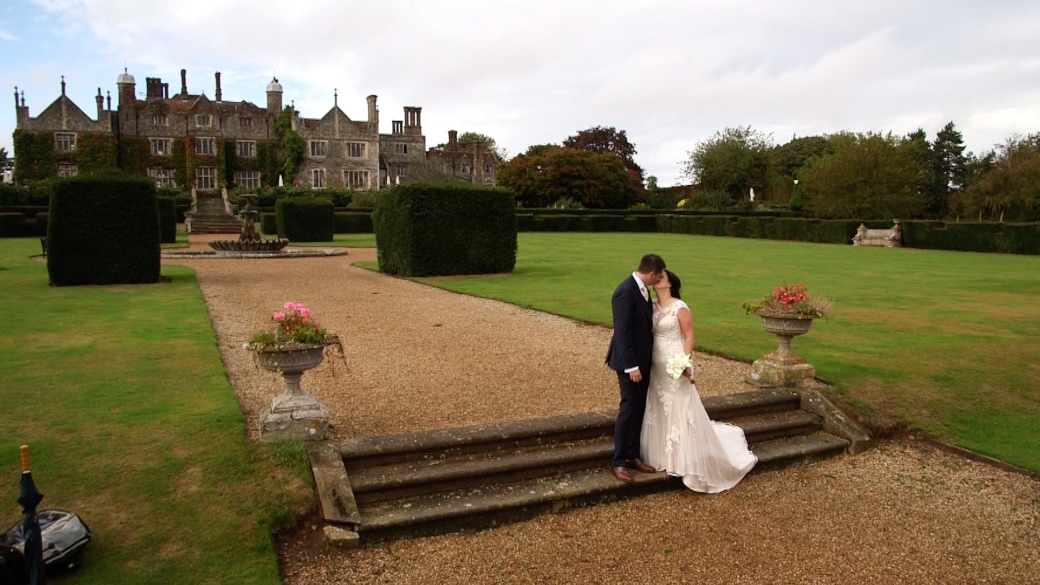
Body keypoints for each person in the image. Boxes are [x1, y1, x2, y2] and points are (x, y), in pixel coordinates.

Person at [640, 269, 757, 492]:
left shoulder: (679, 307)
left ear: (669, 284)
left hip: (675, 361)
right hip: (656, 365)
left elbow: (689, 336)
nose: (656, 280)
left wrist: (685, 362)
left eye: (661, 278)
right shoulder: (652, 305)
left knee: (679, 406)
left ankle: (684, 459)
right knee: (658, 405)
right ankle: (663, 456)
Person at [606, 253, 666, 483]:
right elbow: (623, 333)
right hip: (628, 363)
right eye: (658, 277)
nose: (658, 281)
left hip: (642, 361)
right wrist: (631, 366)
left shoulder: (642, 290)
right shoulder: (624, 292)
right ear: (651, 274)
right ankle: (618, 461)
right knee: (629, 408)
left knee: (639, 407)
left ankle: (632, 455)